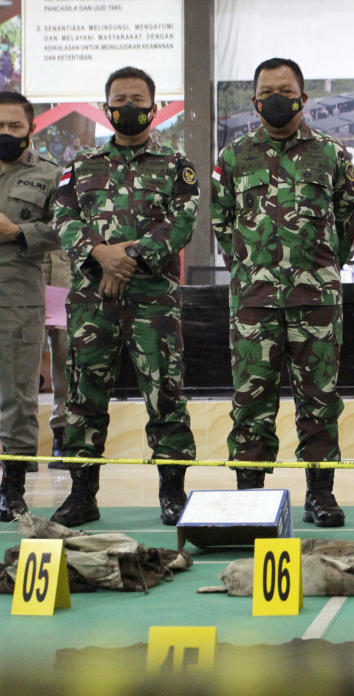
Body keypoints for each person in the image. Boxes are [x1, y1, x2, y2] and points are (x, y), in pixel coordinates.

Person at [211, 58, 354, 527]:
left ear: (303, 96)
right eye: (267, 90)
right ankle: (251, 496)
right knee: (251, 402)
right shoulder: (233, 158)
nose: (276, 98)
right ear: (255, 99)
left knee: (319, 401)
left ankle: (320, 494)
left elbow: (347, 225)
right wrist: (253, 270)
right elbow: (221, 225)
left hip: (315, 301)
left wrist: (314, 271)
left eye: (286, 89)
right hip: (253, 304)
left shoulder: (333, 155)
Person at [53, 66, 198, 527]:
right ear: (106, 107)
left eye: (139, 99)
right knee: (84, 397)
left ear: (154, 109)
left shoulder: (177, 167)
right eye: (121, 98)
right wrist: (100, 255)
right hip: (92, 302)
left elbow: (181, 221)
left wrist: (126, 258)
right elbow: (63, 216)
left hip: (153, 303)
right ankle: (81, 494)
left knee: (166, 394)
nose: (129, 106)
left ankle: (173, 493)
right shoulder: (79, 167)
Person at [0, 91, 62, 521]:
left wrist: (18, 231)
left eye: (14, 126)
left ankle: (13, 489)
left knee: (18, 397)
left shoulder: (49, 176)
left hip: (17, 297)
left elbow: (65, 228)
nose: (6, 134)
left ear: (31, 129)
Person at [41, 245, 71, 470]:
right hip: (27, 272)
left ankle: (62, 435)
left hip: (68, 271)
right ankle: (20, 444)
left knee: (66, 360)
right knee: (21, 366)